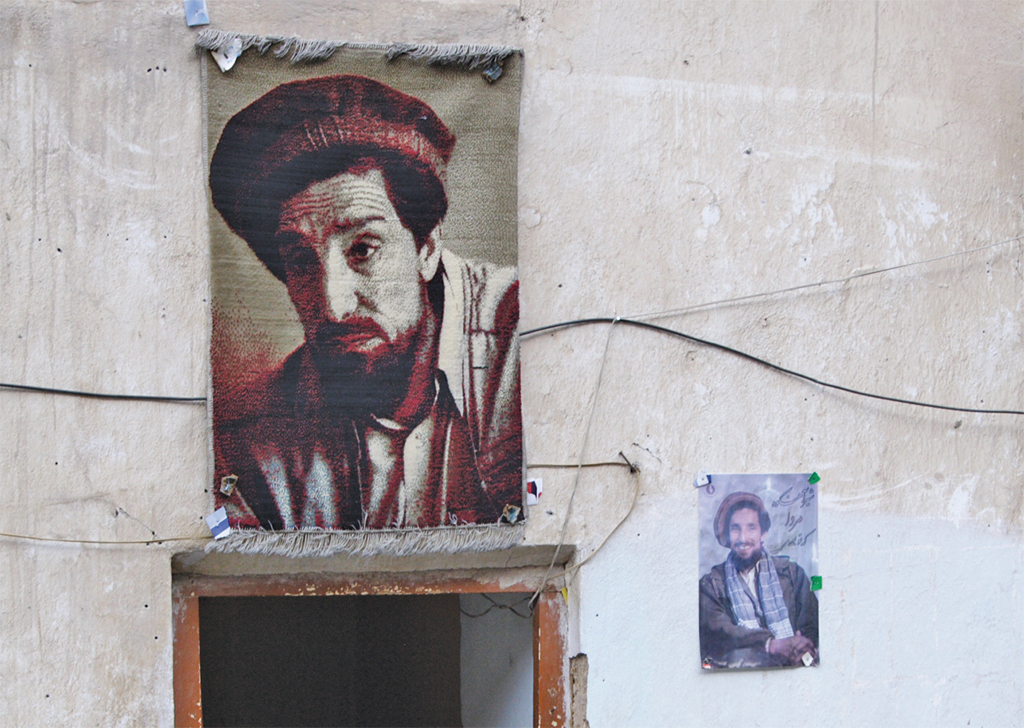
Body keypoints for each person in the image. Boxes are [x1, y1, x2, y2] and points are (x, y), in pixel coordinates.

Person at [208, 75, 522, 531]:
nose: (333, 306)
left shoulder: (527, 341)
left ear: (427, 247)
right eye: (300, 260)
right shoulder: (250, 442)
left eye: (363, 249)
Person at [699, 492, 819, 668]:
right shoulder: (711, 585)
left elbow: (813, 626)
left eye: (751, 528)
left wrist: (801, 650)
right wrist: (771, 644)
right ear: (726, 534)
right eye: (735, 528)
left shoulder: (791, 573)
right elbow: (720, 633)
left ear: (763, 533)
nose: (743, 538)